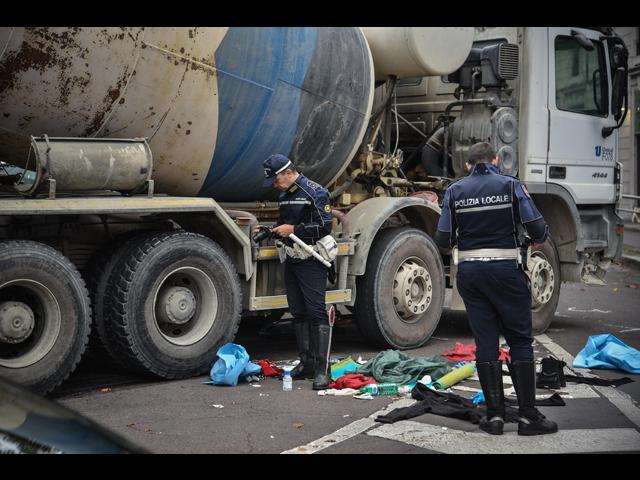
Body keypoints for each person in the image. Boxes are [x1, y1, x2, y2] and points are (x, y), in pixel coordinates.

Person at [435, 142, 558, 436]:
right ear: (494, 161)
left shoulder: (454, 191)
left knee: (486, 341)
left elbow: (442, 239)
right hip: (506, 272)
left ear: (468, 165)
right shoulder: (511, 185)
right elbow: (538, 230)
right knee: (519, 340)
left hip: (471, 276)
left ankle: (494, 418)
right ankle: (528, 417)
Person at [256, 154, 334, 390]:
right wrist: (271, 231)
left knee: (316, 313)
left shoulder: (315, 192)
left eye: (276, 180)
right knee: (298, 313)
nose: (274, 185)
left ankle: (323, 370)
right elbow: (285, 226)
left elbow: (325, 225)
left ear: (288, 173)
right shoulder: (284, 195)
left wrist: (295, 229)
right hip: (292, 258)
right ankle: (307, 363)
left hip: (312, 259)